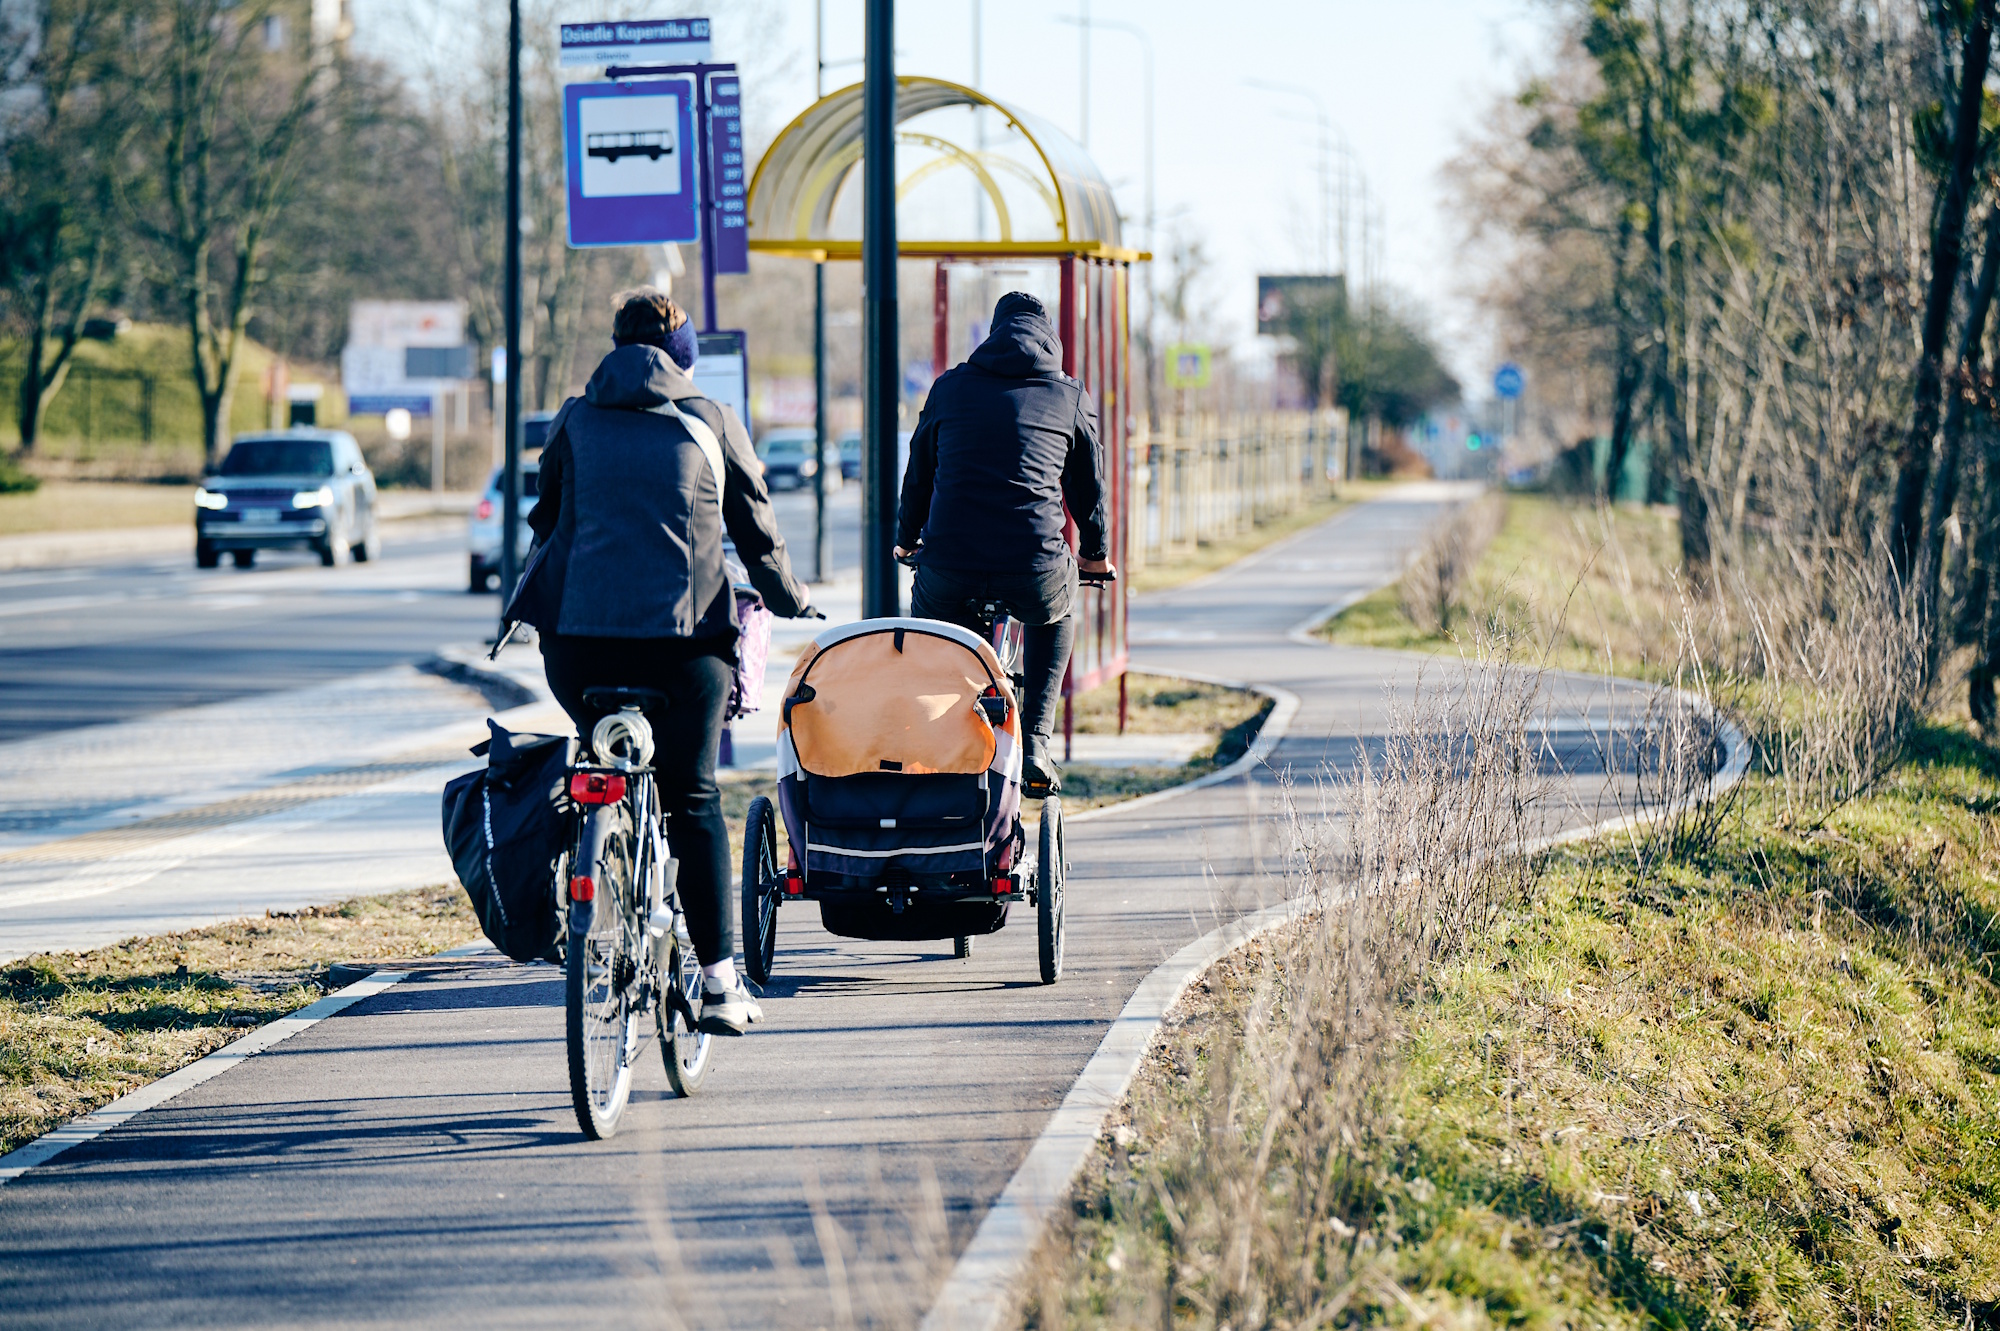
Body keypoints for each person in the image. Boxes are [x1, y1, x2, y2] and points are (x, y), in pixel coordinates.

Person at [515, 288, 817, 1035]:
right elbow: (756, 532)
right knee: (691, 797)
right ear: (684, 355)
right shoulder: (711, 421)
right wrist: (788, 598)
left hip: (579, 648)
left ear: (614, 347)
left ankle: (600, 844)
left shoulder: (575, 418)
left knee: (601, 764)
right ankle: (718, 983)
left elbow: (545, 518)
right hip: (684, 650)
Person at [894, 291, 1113, 795]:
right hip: (1034, 566)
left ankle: (938, 740)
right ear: (1049, 336)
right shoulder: (1068, 395)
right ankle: (1034, 740)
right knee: (1055, 613)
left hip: (949, 565)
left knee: (940, 632)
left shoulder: (949, 388)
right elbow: (1089, 488)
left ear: (993, 334)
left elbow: (919, 474)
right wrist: (1094, 554)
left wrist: (907, 541)